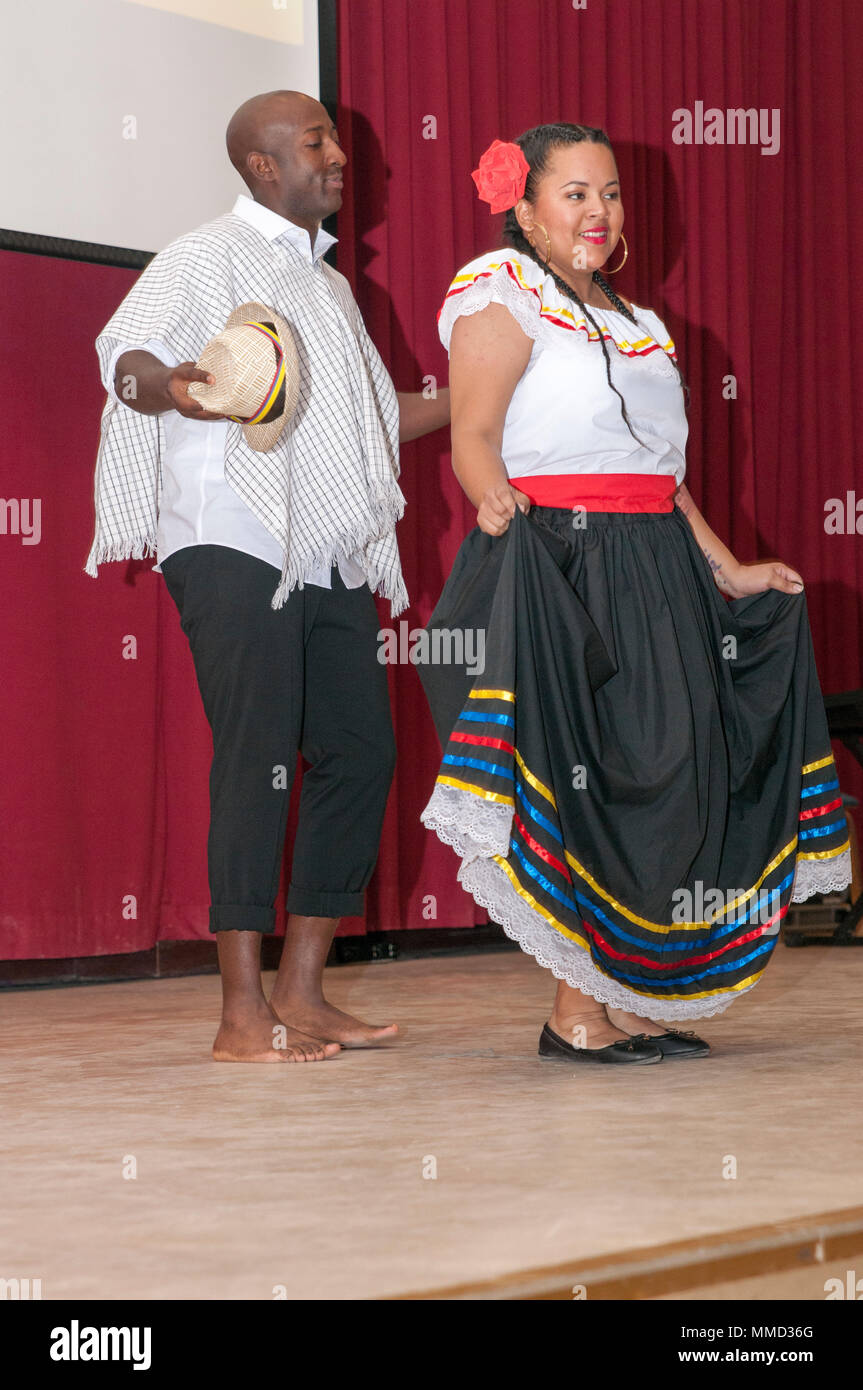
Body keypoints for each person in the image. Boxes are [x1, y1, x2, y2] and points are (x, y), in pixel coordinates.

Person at [419, 124, 851, 1065]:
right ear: (524, 208)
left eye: (607, 193)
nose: (597, 212)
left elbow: (663, 473)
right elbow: (473, 428)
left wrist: (725, 565)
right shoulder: (500, 293)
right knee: (597, 777)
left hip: (654, 561)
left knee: (675, 771)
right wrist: (487, 493)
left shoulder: (638, 324)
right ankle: (575, 1011)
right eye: (572, 194)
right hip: (555, 559)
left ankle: (621, 994)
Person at [85, 90, 449, 1063]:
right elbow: (122, 357)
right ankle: (240, 1014)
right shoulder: (202, 256)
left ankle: (303, 989)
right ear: (260, 164)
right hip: (230, 537)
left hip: (320, 546)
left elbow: (375, 424)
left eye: (333, 138)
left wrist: (474, 399)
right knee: (259, 755)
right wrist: (176, 388)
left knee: (360, 751)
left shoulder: (327, 287)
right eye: (317, 140)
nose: (338, 155)